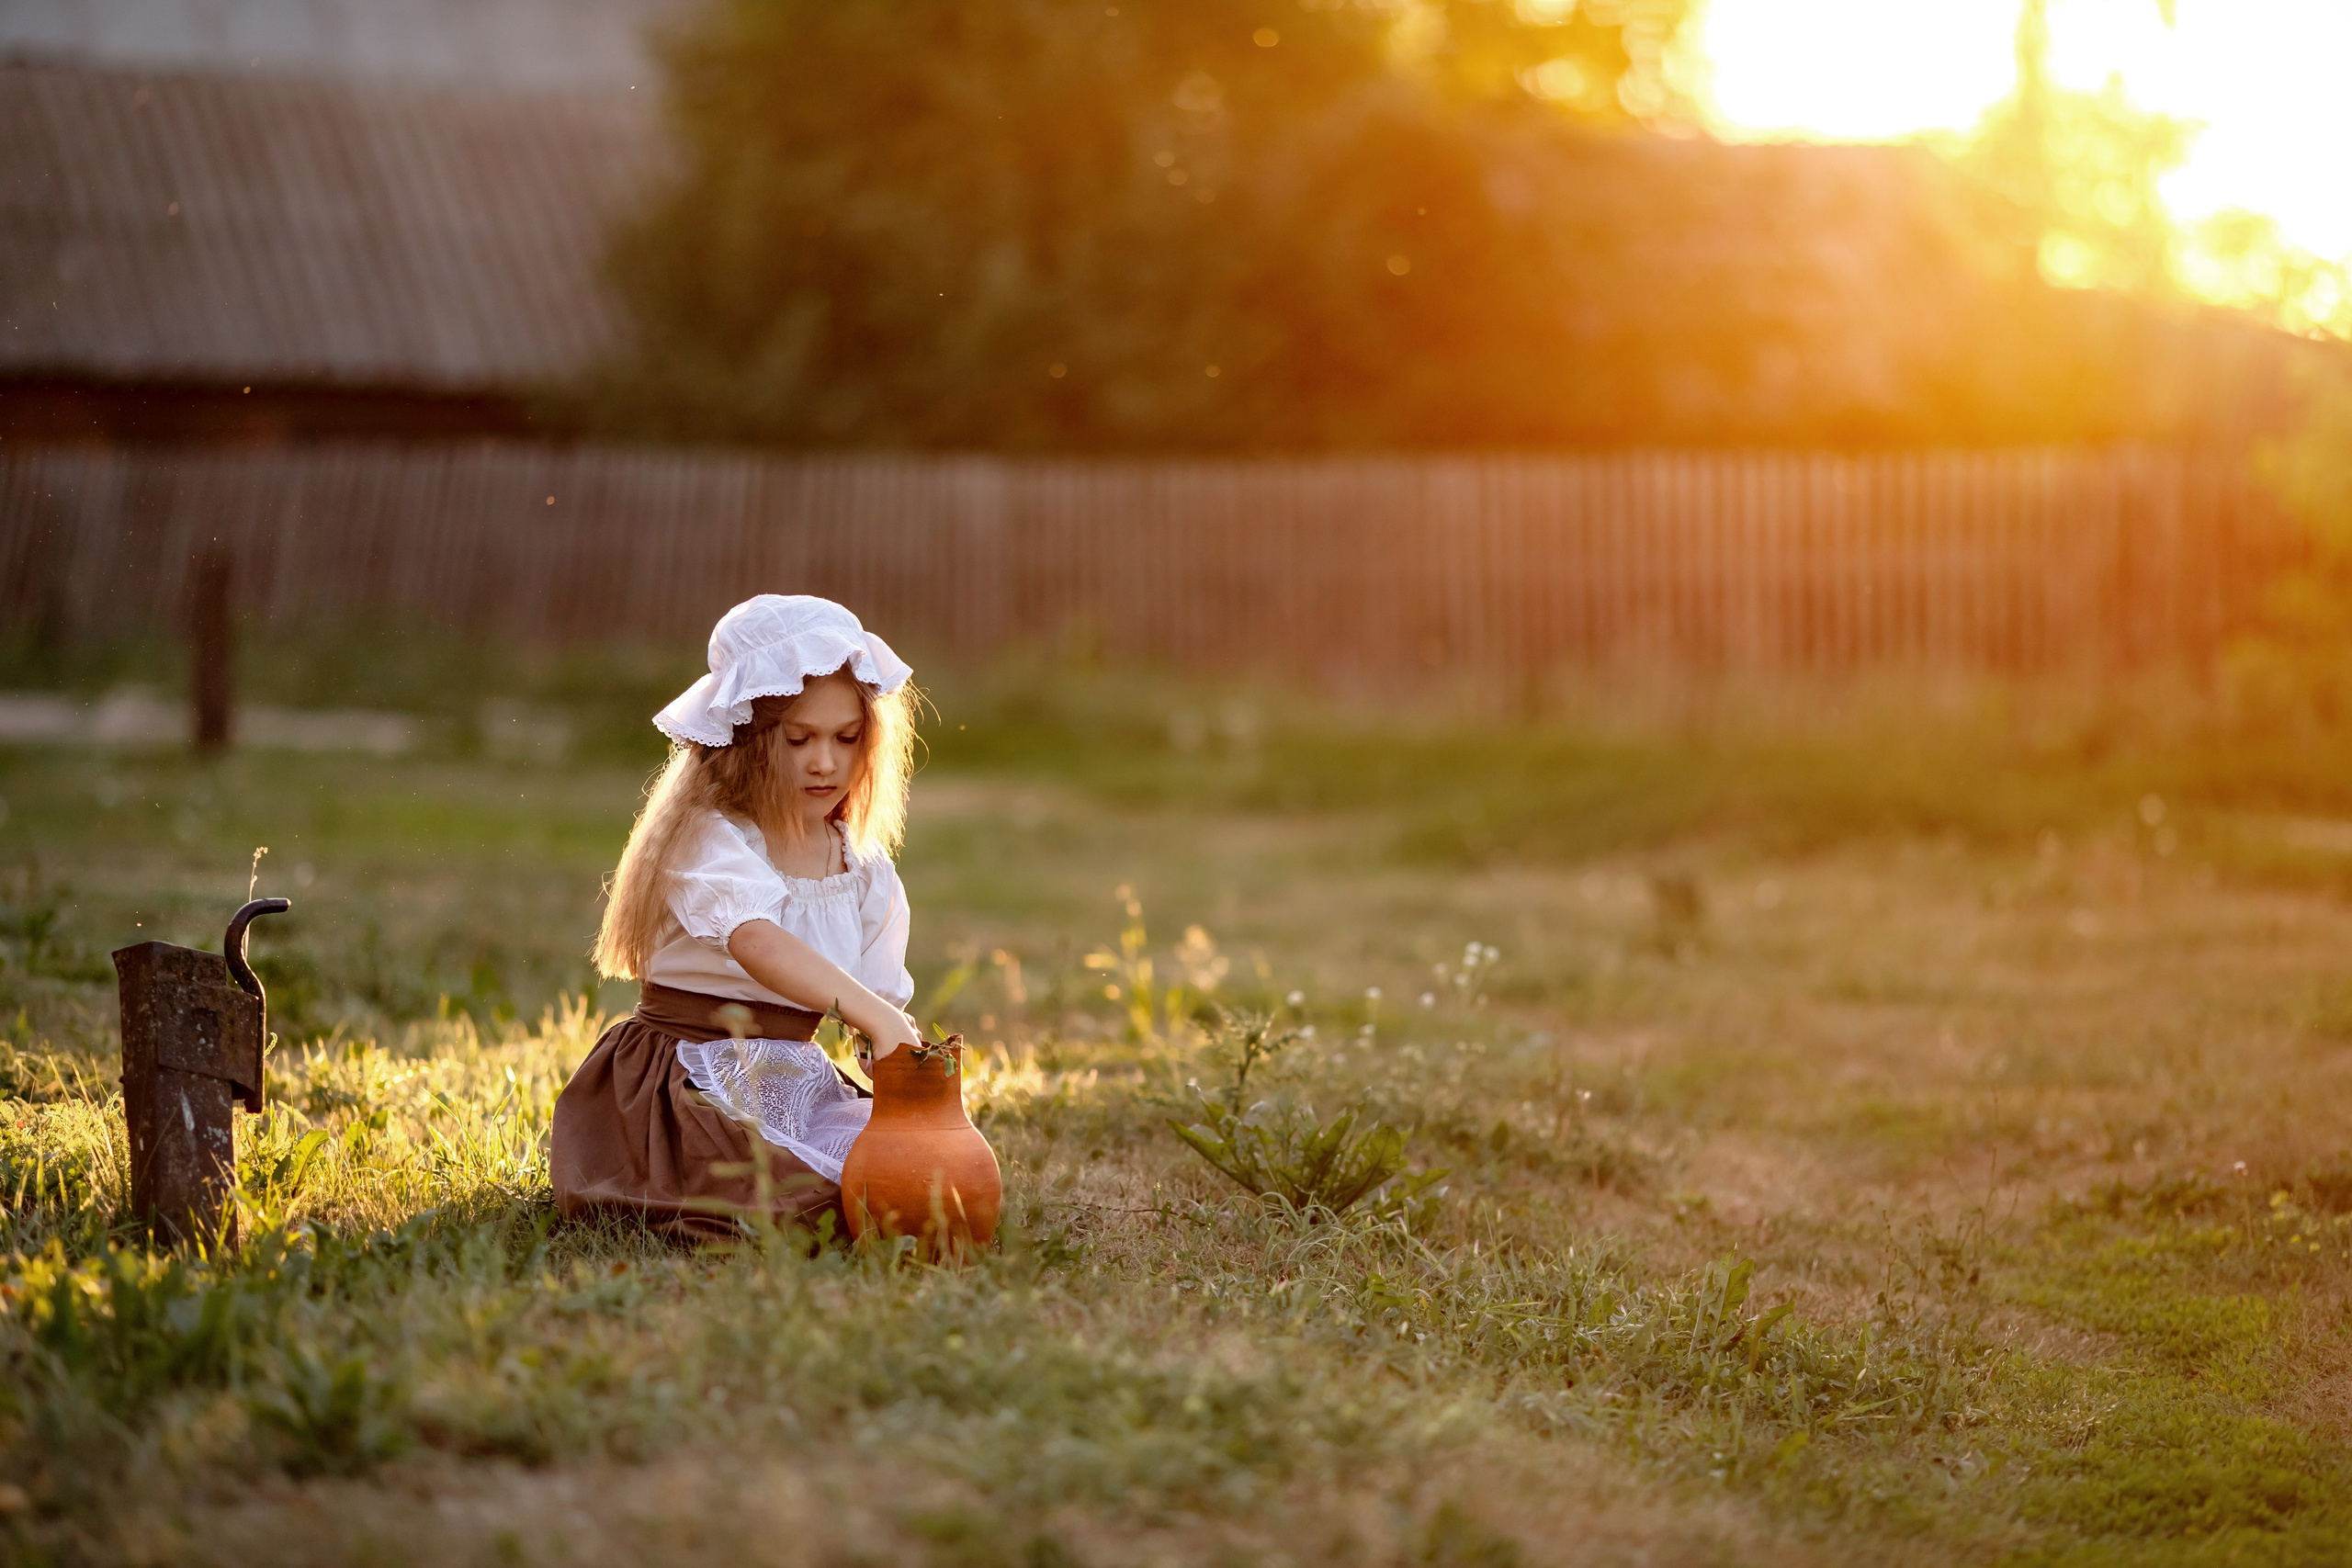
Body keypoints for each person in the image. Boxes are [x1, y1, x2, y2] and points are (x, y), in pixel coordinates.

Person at [553, 594, 923, 1241]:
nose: (824, 762)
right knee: (791, 1202)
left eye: (846, 737)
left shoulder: (862, 871)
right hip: (681, 1084)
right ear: (744, 741)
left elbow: (878, 1016)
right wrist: (877, 1015)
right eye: (799, 737)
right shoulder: (710, 837)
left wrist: (901, 1069)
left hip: (785, 1081)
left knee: (907, 1175)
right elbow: (757, 942)